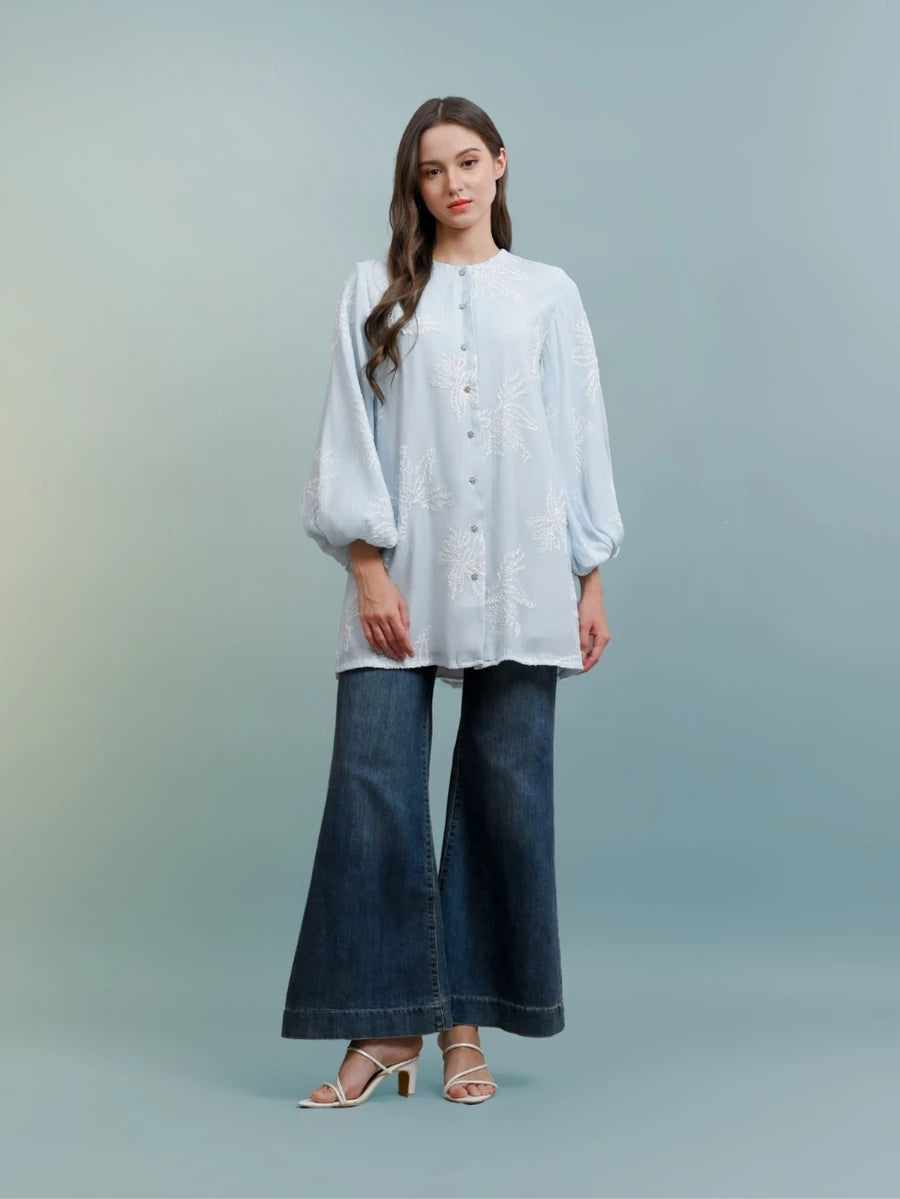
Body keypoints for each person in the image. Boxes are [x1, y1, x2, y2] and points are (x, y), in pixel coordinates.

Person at [281, 95, 624, 1107]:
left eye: (468, 161)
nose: (453, 183)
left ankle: (464, 1024)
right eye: (432, 170)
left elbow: (578, 432)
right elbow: (348, 430)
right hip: (403, 574)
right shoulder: (375, 287)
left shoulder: (548, 293)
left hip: (525, 572)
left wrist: (590, 573)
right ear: (415, 185)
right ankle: (386, 1026)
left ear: (500, 164)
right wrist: (366, 565)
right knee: (373, 789)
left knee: (505, 794)